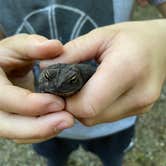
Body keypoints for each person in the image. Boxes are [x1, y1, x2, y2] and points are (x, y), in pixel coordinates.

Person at [0, 0, 166, 165]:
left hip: (114, 118)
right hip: (44, 120)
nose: (58, 84)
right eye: (50, 77)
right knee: (54, 157)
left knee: (113, 158)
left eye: (71, 79)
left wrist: (160, 35)